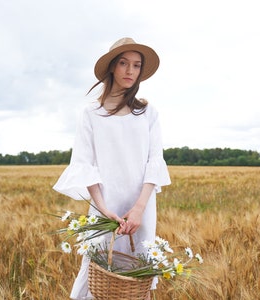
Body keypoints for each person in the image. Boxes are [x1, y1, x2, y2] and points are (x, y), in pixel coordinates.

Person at [53, 37, 171, 300]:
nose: (130, 71)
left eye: (136, 65)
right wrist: (104, 211)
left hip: (142, 206)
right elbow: (86, 165)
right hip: (105, 207)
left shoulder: (148, 113)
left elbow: (155, 161)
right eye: (123, 63)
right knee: (97, 273)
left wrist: (139, 209)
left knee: (138, 275)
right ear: (112, 67)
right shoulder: (91, 113)